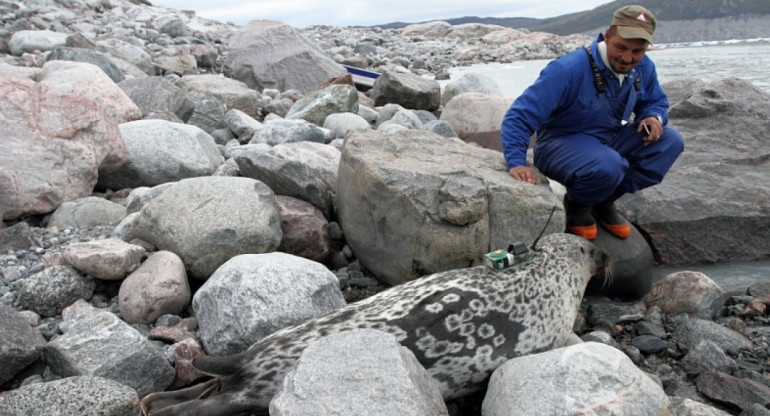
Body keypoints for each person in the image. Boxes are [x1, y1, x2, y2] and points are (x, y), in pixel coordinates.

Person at [500, 5, 684, 240]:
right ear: (607, 36)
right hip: (559, 144)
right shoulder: (568, 69)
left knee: (670, 141)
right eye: (621, 47)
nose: (627, 58)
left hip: (608, 141)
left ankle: (604, 199)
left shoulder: (643, 67)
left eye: (637, 51)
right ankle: (578, 205)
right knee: (608, 165)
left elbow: (655, 101)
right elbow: (519, 116)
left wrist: (653, 116)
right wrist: (516, 162)